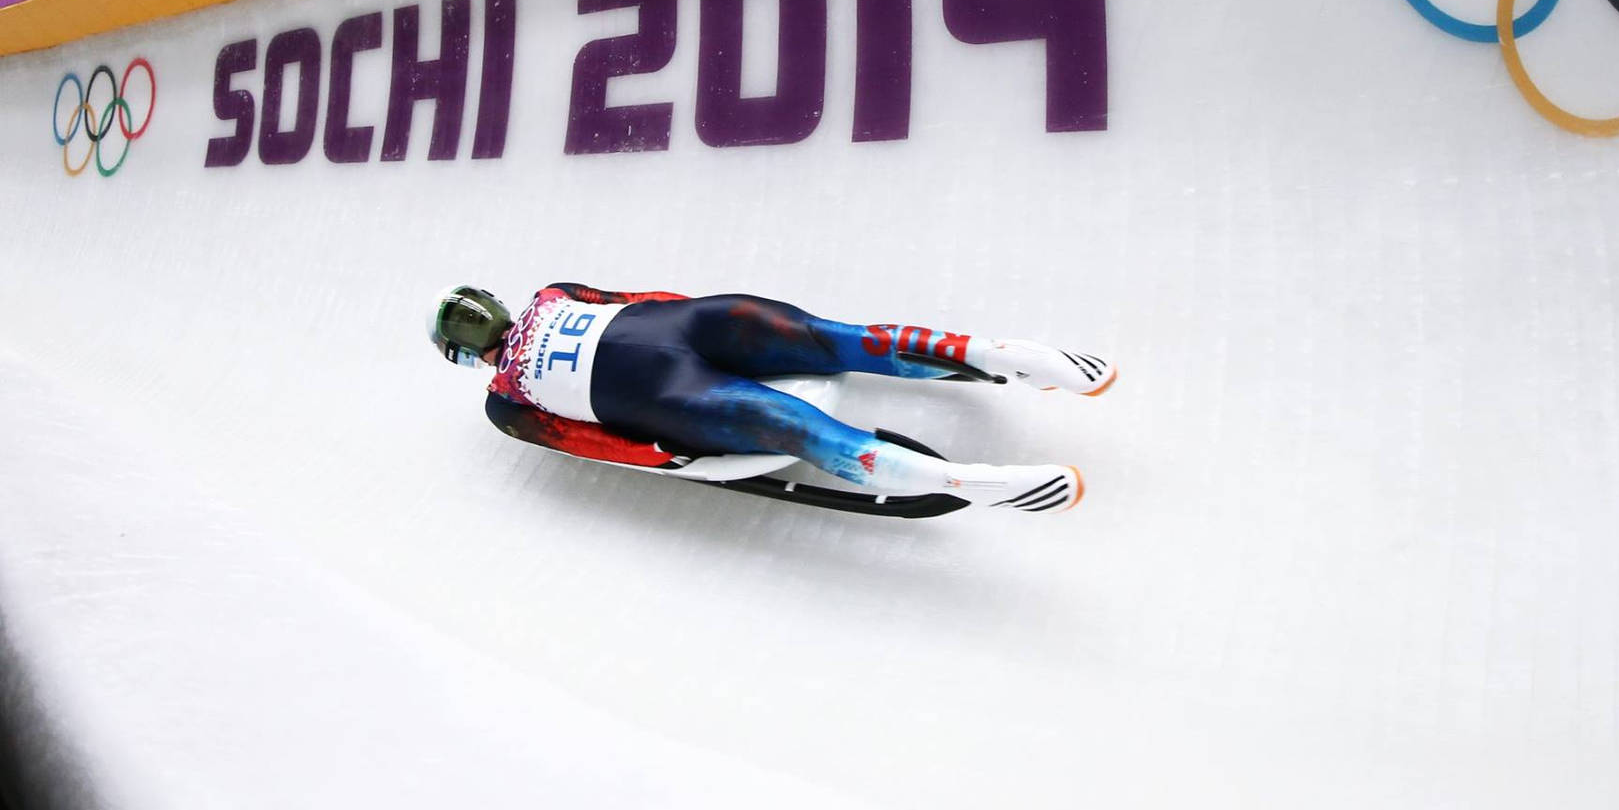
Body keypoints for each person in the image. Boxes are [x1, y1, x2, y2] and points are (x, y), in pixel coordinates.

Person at [428, 284, 1116, 515]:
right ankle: (1001, 353)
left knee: (800, 431)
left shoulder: (503, 405)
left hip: (671, 395)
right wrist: (700, 308)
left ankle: (975, 483)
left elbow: (584, 442)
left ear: (465, 355)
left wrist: (666, 455)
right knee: (837, 337)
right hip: (697, 323)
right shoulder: (553, 291)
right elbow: (645, 299)